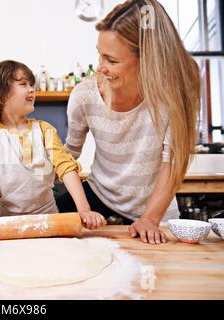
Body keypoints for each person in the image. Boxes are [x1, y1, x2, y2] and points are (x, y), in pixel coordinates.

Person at [57, 0, 200, 245]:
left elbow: (172, 164)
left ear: (148, 59)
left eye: (111, 60)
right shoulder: (84, 96)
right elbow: (68, 155)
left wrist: (150, 220)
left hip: (155, 211)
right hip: (99, 198)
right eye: (99, 55)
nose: (100, 68)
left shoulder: (175, 95)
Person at [0, 60, 106, 239]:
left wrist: (84, 210)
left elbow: (66, 167)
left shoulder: (44, 130)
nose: (31, 89)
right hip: (10, 224)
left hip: (51, 219)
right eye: (23, 84)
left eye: (32, 85)